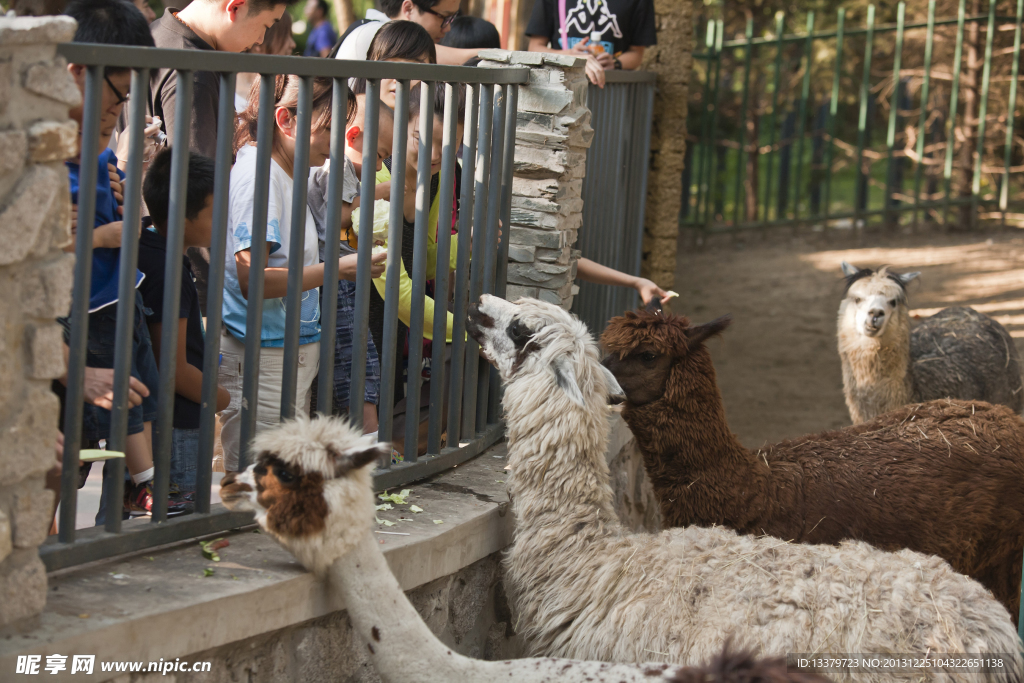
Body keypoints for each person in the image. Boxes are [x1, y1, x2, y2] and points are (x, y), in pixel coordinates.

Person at [218, 75, 385, 472]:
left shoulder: (286, 171)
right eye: (327, 129)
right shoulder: (260, 178)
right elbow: (252, 279)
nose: (333, 143)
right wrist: (334, 270)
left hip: (285, 348)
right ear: (285, 119)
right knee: (261, 482)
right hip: (263, 352)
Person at [60, 0, 185, 518]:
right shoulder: (36, 151)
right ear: (78, 71)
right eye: (117, 97)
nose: (119, 111)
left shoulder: (94, 147)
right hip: (77, 312)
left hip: (105, 297)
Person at [149, 0, 298, 317]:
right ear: (236, 7)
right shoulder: (193, 71)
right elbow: (199, 197)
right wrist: (211, 293)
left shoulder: (158, 35)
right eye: (266, 26)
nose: (260, 40)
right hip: (185, 280)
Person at [138, 149, 232, 510]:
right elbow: (173, 369)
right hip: (176, 423)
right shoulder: (168, 269)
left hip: (152, 418)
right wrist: (221, 399)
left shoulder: (146, 246)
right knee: (177, 524)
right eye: (213, 211)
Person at [306, 92, 393, 435]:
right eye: (379, 155)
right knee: (359, 358)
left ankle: (364, 439)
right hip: (333, 278)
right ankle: (369, 442)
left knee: (355, 357)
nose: (378, 165)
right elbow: (341, 215)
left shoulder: (342, 167)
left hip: (335, 274)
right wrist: (380, 192)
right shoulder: (340, 164)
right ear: (353, 136)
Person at [525, 0, 657, 87]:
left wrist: (615, 62)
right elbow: (534, 48)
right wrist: (570, 56)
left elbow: (637, 54)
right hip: (561, 91)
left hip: (610, 92)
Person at [333, 0, 479, 66]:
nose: (447, 28)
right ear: (408, 9)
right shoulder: (373, 34)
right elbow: (430, 54)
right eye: (443, 17)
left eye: (452, 18)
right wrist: (493, 54)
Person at [234, 11, 297, 112]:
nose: (292, 44)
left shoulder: (287, 93)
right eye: (285, 35)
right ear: (258, 42)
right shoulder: (220, 89)